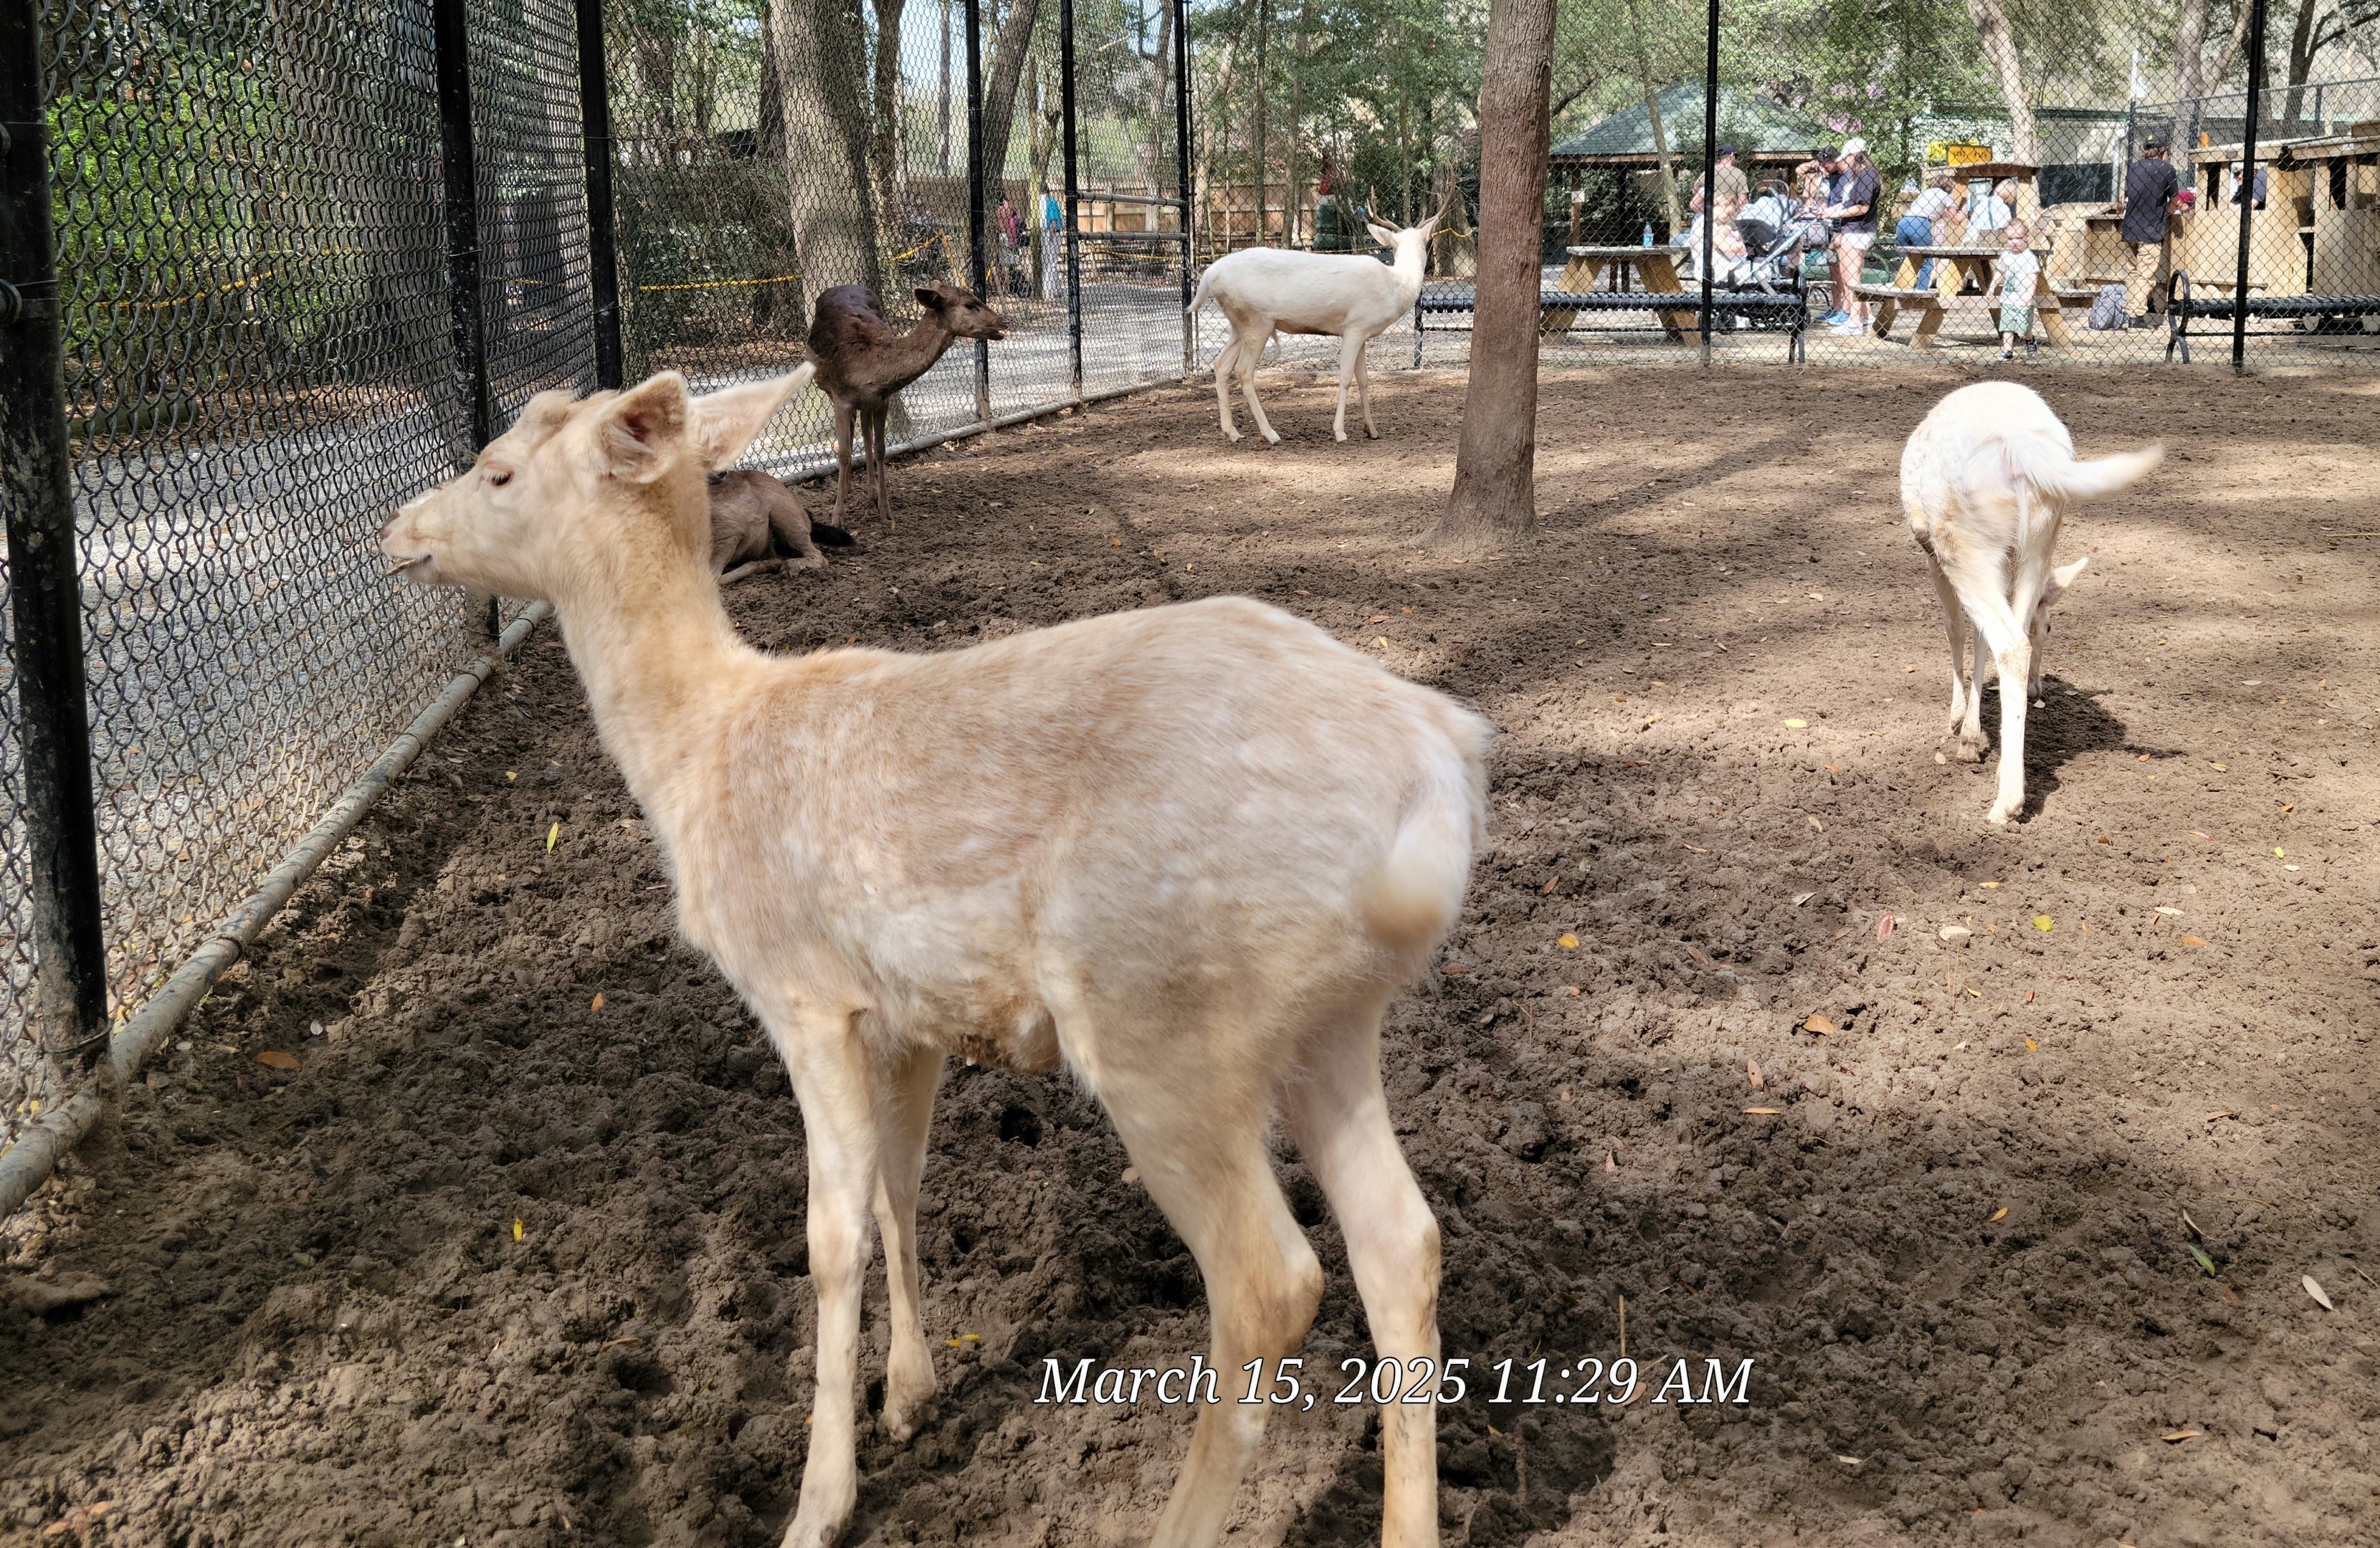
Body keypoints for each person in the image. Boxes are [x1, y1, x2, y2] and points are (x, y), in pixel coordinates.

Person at [2120, 136, 2182, 329]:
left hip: (2130, 228)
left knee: (2132, 272)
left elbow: (2127, 195)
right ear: (2164, 152)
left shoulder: (2133, 167)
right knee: (2146, 275)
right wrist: (2167, 212)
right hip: (2151, 230)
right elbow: (2176, 199)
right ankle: (2136, 316)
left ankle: (2127, 313)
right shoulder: (2167, 170)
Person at [1820, 139, 1880, 334]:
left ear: (1854, 156)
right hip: (1851, 230)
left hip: (1858, 230)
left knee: (1851, 279)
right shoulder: (1859, 176)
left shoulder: (1867, 175)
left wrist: (1834, 214)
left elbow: (1862, 207)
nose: (1844, 162)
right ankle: (1867, 318)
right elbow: (1848, 205)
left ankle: (1854, 323)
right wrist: (1832, 211)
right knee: (1850, 278)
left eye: (1846, 158)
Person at [1898, 168, 1958, 290]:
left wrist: (1944, 214)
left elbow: (1933, 213)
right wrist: (1964, 209)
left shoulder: (1926, 193)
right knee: (1927, 261)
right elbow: (1955, 220)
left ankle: (1903, 290)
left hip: (1903, 223)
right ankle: (1921, 294)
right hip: (1919, 224)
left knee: (1909, 261)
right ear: (1949, 186)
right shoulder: (1946, 196)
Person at [1991, 218, 2040, 360]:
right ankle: (2008, 351)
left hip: (2025, 300)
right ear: (2006, 238)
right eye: (2011, 238)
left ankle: (2030, 339)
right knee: (2008, 326)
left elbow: (2033, 278)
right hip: (2008, 298)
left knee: (2024, 329)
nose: (2015, 241)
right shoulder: (2006, 255)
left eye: (2019, 238)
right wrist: (1992, 287)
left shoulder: (2029, 257)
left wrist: (2029, 296)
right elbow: (2000, 272)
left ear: (2027, 237)